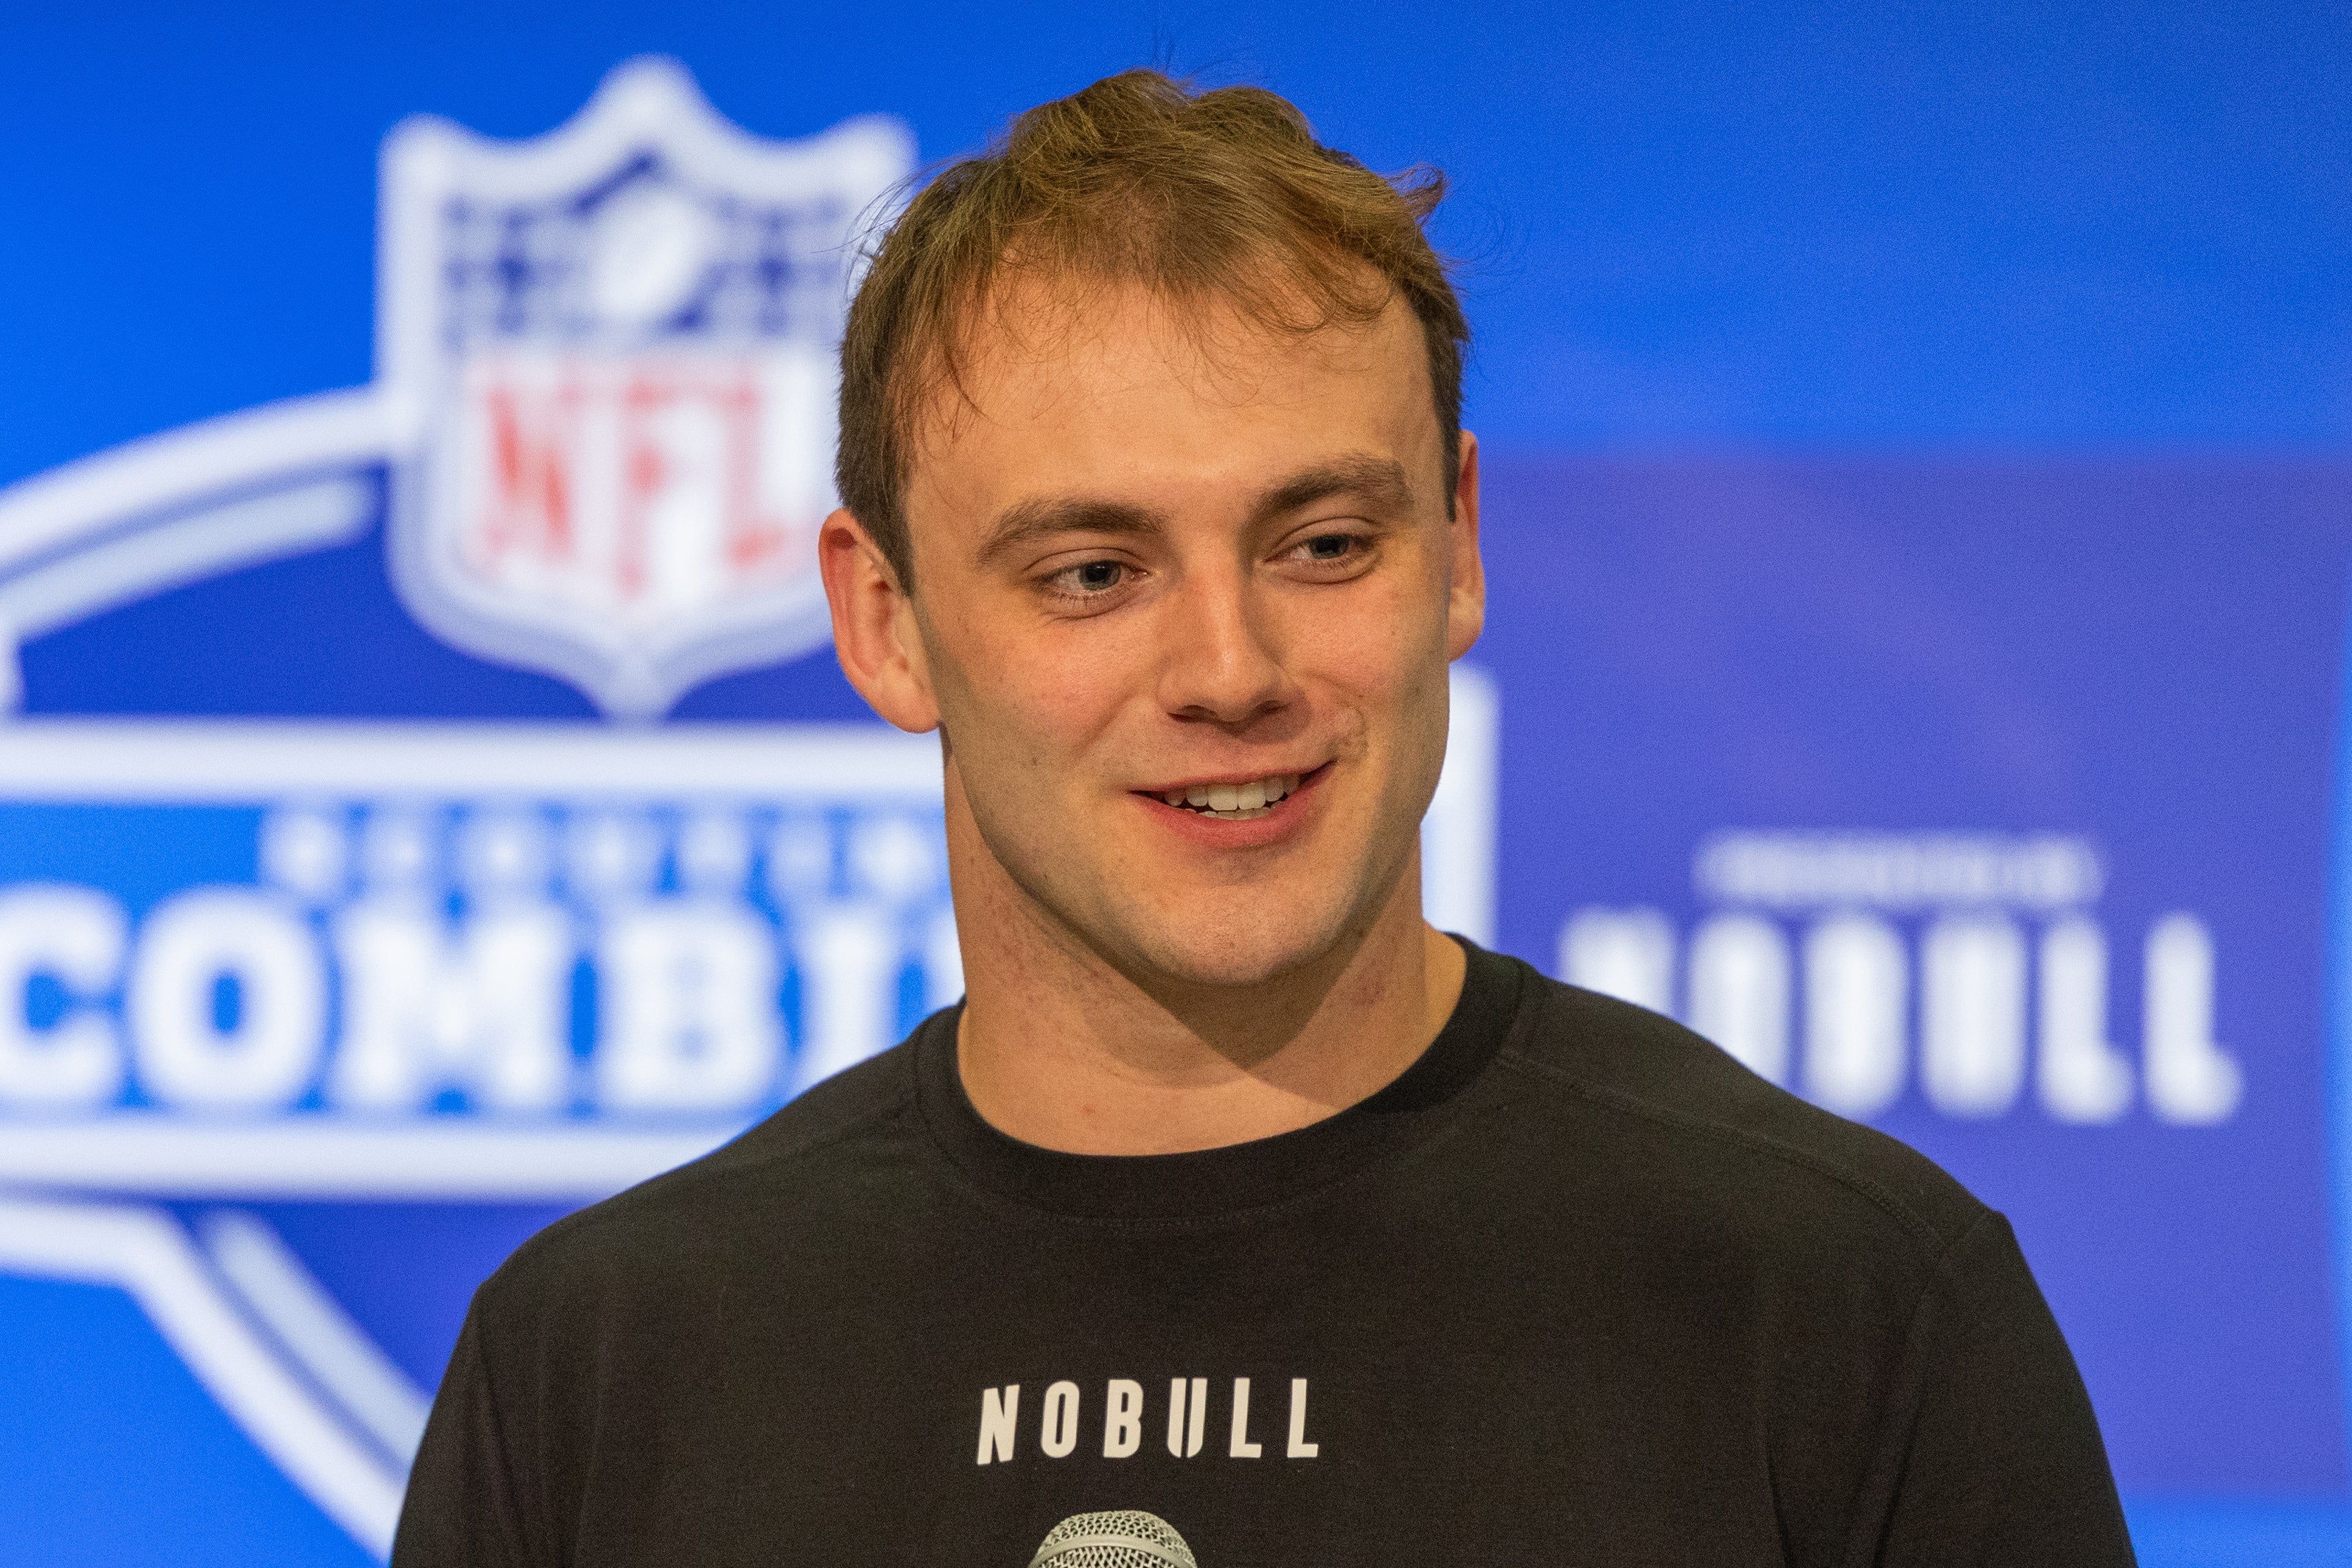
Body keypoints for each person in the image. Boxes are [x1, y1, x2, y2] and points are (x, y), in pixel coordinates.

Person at [394, 70, 2136, 1566]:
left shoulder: (1845, 1306)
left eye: (1321, 544)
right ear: (887, 622)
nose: (1228, 669)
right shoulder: (602, 1366)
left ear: (1455, 541)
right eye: (1091, 571)